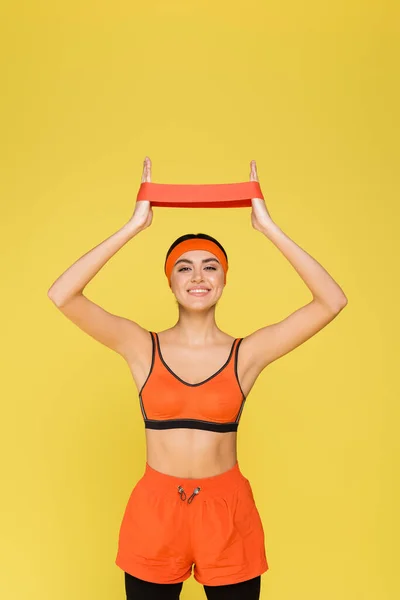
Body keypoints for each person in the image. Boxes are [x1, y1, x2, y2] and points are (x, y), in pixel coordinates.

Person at [48, 156, 348, 599]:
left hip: (226, 512)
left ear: (225, 279)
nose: (198, 276)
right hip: (155, 512)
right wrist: (133, 226)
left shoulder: (246, 354)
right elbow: (62, 294)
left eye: (211, 266)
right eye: (184, 267)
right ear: (170, 281)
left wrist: (267, 226)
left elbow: (331, 301)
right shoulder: (139, 347)